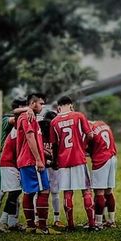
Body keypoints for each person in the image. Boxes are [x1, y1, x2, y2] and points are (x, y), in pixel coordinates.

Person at [50, 96, 96, 231]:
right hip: (78, 158)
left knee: (67, 193)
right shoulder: (78, 116)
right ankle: (92, 224)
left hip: (63, 161)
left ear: (59, 107)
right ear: (71, 105)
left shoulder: (54, 121)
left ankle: (70, 225)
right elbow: (90, 135)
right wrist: (83, 146)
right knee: (86, 191)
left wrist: (54, 160)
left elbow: (54, 144)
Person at [17, 93, 60, 234]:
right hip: (31, 161)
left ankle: (30, 226)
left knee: (28, 192)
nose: (42, 106)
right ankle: (42, 228)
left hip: (25, 160)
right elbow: (30, 138)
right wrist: (38, 159)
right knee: (44, 191)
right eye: (41, 103)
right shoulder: (27, 117)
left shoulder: (28, 116)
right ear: (33, 103)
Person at [0, 98, 33, 231]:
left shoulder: (22, 123)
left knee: (15, 192)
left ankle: (12, 222)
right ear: (20, 107)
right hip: (4, 160)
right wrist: (29, 110)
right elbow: (15, 117)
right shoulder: (8, 119)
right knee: (1, 192)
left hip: (16, 160)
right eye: (25, 106)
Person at [88, 120, 118, 229]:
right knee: (109, 191)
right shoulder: (102, 123)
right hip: (112, 157)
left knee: (99, 192)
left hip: (101, 160)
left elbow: (87, 147)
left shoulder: (89, 129)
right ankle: (111, 220)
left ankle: (98, 222)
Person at [38, 110, 65, 229]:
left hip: (54, 167)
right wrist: (47, 160)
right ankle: (37, 219)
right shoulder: (39, 133)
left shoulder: (57, 134)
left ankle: (56, 219)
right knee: (40, 193)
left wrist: (56, 161)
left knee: (55, 192)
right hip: (43, 166)